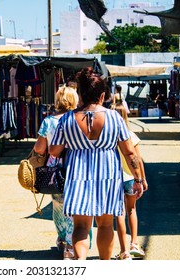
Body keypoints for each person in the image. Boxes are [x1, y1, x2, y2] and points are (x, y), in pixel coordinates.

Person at [49, 67, 144, 260]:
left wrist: (73, 144)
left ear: (81, 94)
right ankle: (104, 265)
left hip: (77, 176)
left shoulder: (66, 119)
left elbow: (54, 150)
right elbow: (129, 152)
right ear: (102, 96)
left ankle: (81, 264)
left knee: (81, 226)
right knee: (106, 224)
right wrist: (138, 178)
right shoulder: (114, 118)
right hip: (108, 176)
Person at [33, 86, 80, 260]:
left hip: (54, 170)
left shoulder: (49, 121)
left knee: (59, 206)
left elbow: (39, 148)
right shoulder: (78, 119)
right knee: (74, 207)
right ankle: (70, 245)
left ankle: (63, 240)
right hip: (76, 166)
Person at [112, 103, 148, 260]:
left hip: (114, 178)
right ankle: (134, 243)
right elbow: (137, 159)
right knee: (131, 209)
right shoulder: (130, 135)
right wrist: (142, 179)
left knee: (119, 213)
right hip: (130, 178)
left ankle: (123, 250)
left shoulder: (109, 136)